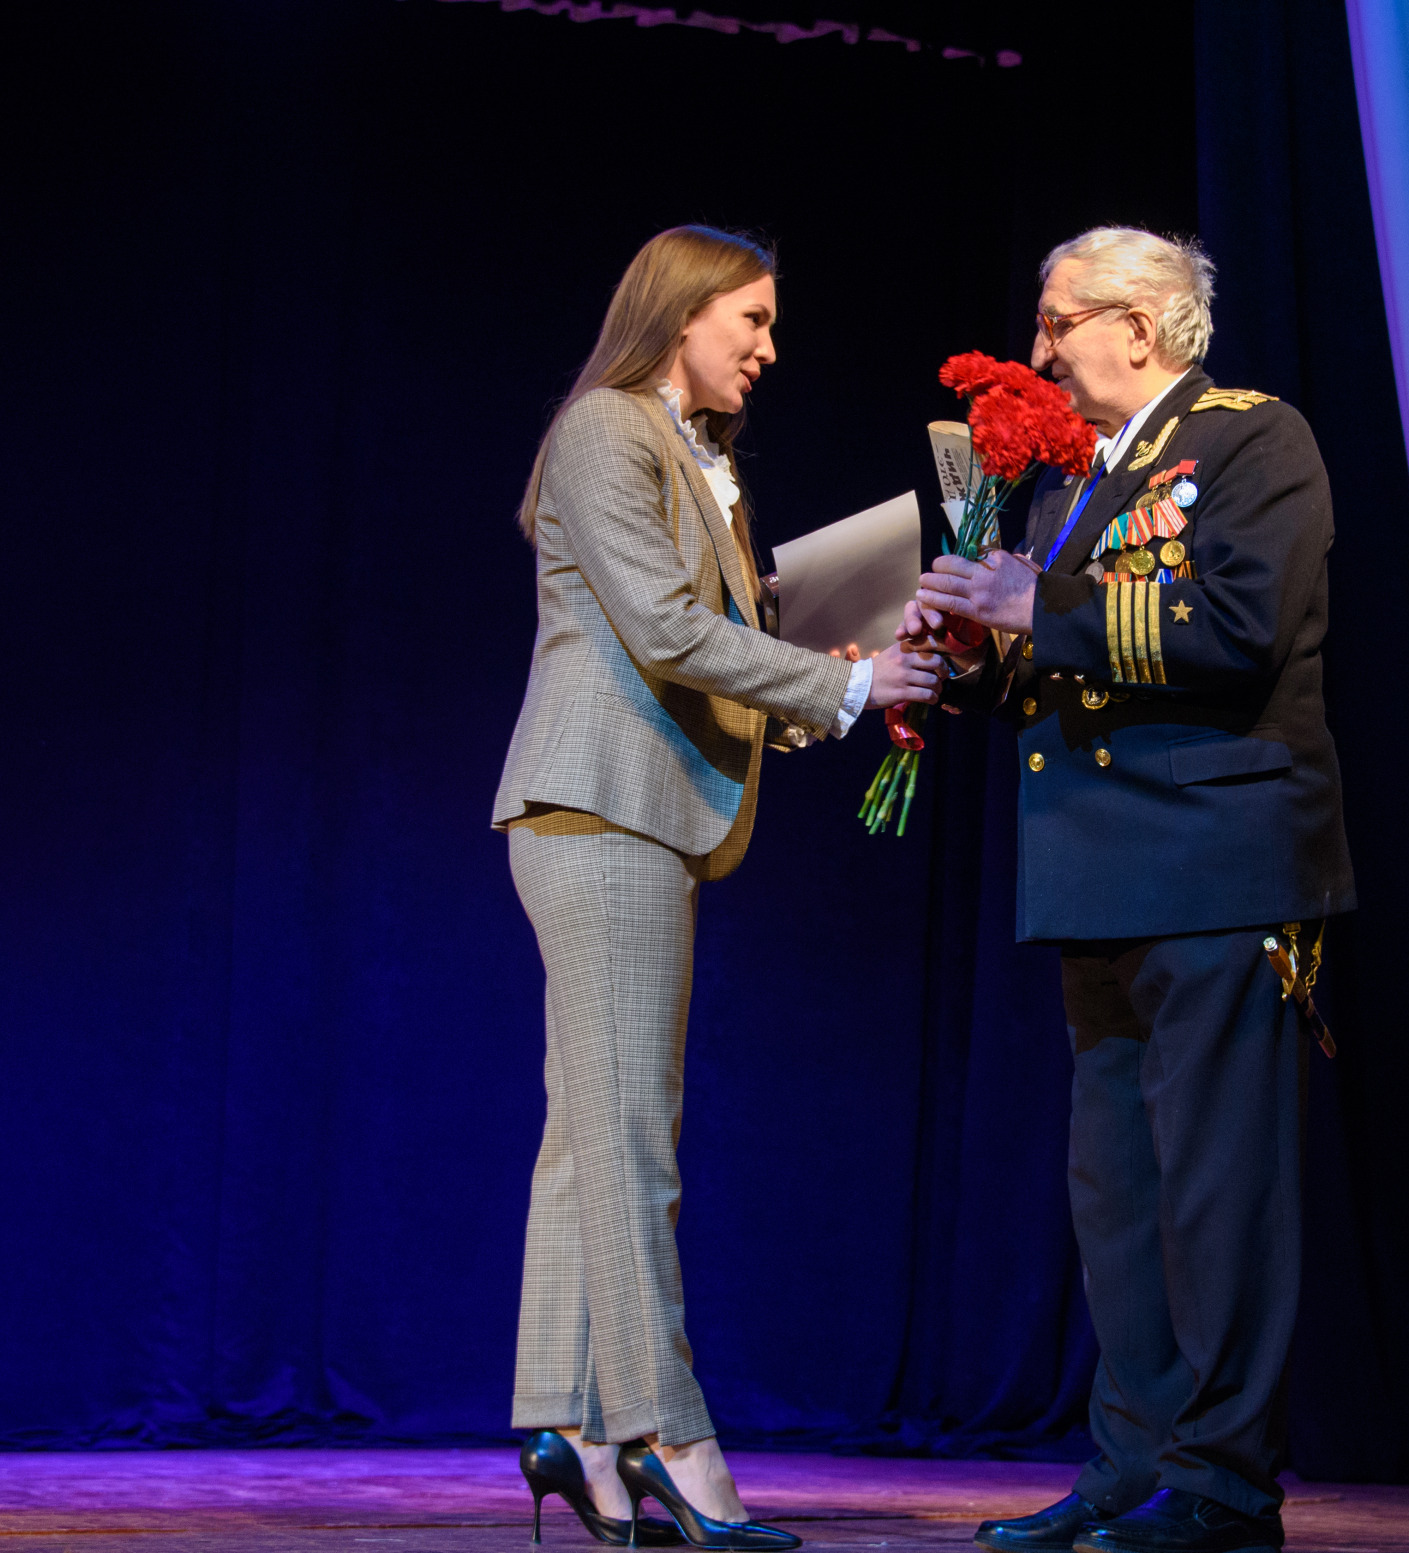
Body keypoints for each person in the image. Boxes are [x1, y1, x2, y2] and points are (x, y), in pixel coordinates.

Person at [907, 227, 1354, 1553]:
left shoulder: (1251, 439)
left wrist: (1033, 607)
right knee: (1120, 1198)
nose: (1038, 350)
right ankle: (1132, 1464)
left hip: (1217, 864)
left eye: (1057, 322)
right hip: (1099, 871)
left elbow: (1236, 629)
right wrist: (966, 654)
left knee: (1219, 1190)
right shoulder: (1074, 481)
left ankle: (1224, 1485)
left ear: (1141, 327)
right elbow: (1057, 667)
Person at [494, 225, 940, 1551]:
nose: (769, 347)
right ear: (681, 312)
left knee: (594, 1130)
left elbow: (719, 646)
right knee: (636, 1136)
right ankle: (670, 1433)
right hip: (601, 809)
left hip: (640, 814)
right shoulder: (607, 429)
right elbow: (663, 629)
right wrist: (848, 688)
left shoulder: (700, 458)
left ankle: (571, 1424)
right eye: (751, 318)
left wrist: (837, 670)